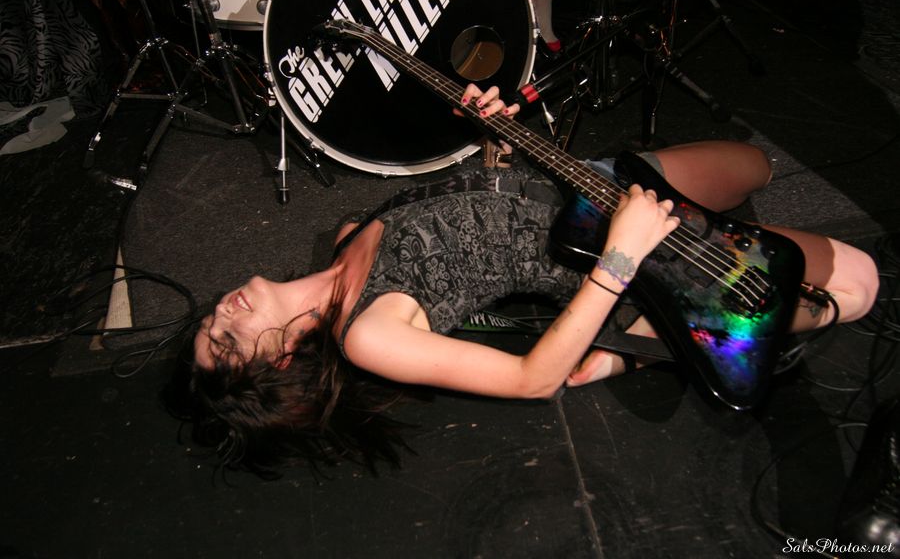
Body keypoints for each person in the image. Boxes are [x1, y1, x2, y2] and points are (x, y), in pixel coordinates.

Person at [184, 84, 879, 474]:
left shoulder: (343, 239)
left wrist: (494, 137)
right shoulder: (367, 335)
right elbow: (531, 380)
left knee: (755, 166)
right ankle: (638, 341)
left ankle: (636, 349)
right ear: (280, 359)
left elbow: (477, 208)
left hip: (591, 183)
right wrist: (623, 256)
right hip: (615, 253)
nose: (222, 314)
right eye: (225, 342)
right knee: (858, 284)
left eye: (209, 323)